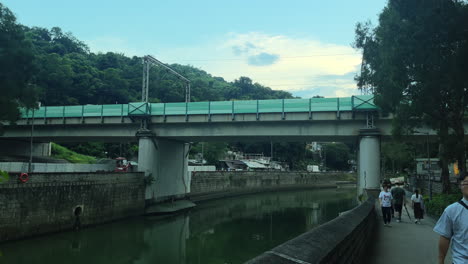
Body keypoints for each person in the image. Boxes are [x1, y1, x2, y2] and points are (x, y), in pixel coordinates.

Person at [433, 174, 468, 264]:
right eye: (466, 183)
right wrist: (441, 261)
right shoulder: (451, 210)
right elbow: (445, 237)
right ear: (460, 186)